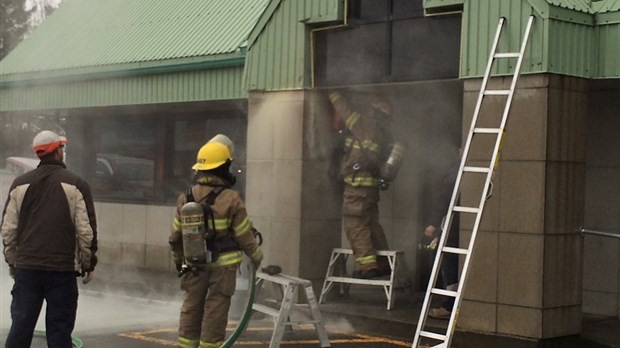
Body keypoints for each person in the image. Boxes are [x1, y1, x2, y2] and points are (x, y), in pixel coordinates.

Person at [1, 130, 98, 348]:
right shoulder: (76, 184)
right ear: (56, 151)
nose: (63, 152)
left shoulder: (20, 184)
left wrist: (13, 261)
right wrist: (88, 263)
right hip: (61, 272)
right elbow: (86, 231)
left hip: (27, 269)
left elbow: (8, 230)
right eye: (61, 148)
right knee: (59, 333)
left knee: (20, 329)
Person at [169, 139, 263, 348]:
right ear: (224, 168)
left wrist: (179, 262)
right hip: (224, 267)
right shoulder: (232, 198)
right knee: (216, 310)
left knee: (191, 308)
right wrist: (257, 257)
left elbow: (175, 237)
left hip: (194, 264)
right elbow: (244, 235)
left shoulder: (185, 198)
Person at [328, 91, 394, 279]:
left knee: (355, 224)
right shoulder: (383, 133)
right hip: (370, 189)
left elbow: (345, 112)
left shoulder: (365, 125)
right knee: (372, 225)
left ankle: (368, 266)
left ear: (375, 112)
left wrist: (333, 93)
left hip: (357, 187)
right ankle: (383, 264)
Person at [424, 146, 461, 319]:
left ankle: (448, 306)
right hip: (459, 223)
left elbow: (444, 199)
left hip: (452, 225)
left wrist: (433, 223)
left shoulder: (454, 172)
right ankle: (450, 304)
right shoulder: (462, 170)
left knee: (449, 264)